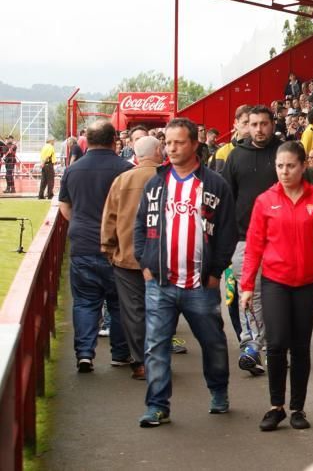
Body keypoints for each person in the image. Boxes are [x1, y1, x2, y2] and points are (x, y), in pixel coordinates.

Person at [133, 117, 238, 427]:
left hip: (199, 285)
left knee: (213, 342)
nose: (172, 148)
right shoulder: (155, 183)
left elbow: (227, 232)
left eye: (179, 142)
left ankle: (218, 391)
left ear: (194, 144)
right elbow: (140, 225)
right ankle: (157, 406)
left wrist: (216, 271)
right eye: (168, 142)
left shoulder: (215, 184)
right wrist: (145, 262)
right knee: (155, 345)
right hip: (160, 282)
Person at [239, 141, 313, 431]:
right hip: (275, 281)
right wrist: (247, 285)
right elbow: (253, 246)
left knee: (300, 346)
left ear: (303, 166)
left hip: (308, 283)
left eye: (291, 165)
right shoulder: (265, 201)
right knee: (276, 344)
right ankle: (276, 406)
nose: (285, 171)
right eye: (280, 166)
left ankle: (298, 408)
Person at [58, 120, 132, 373]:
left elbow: (65, 206)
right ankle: (120, 353)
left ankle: (85, 354)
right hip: (116, 247)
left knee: (85, 302)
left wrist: (81, 223)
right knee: (118, 303)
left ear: (86, 141)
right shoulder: (125, 169)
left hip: (82, 243)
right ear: (115, 141)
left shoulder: (73, 170)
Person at [100, 136, 164, 381]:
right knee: (160, 309)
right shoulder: (170, 178)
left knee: (133, 311)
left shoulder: (122, 180)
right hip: (163, 257)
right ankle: (157, 358)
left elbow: (110, 218)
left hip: (126, 258)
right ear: (159, 151)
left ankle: (140, 362)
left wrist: (109, 248)